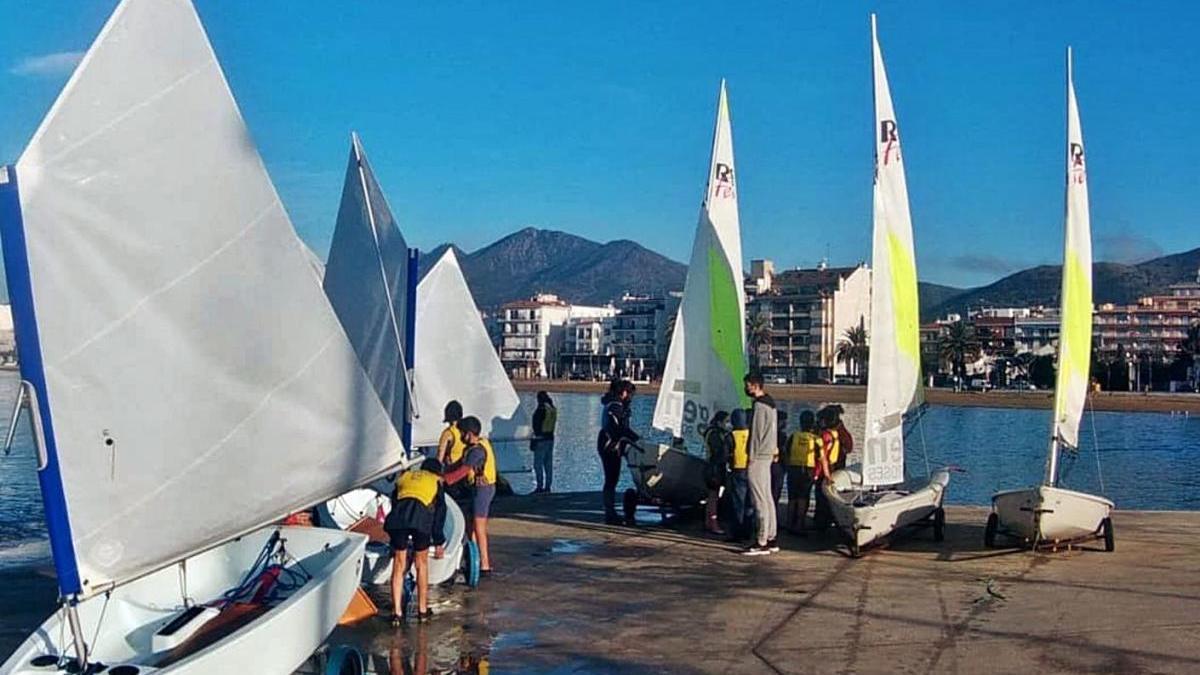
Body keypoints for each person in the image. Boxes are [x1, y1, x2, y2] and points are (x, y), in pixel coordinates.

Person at [385, 458, 447, 624]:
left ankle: (396, 612)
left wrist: (394, 542)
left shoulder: (405, 476)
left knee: (399, 564)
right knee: (421, 564)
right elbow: (440, 513)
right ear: (438, 473)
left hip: (398, 520)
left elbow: (394, 503)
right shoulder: (435, 482)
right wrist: (438, 541)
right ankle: (422, 611)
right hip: (421, 519)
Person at [444, 416, 496, 576]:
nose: (460, 436)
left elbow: (463, 470)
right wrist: (440, 471)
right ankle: (475, 558)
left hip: (483, 490)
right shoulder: (477, 446)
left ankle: (485, 565)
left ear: (469, 433)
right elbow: (458, 464)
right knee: (470, 524)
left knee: (479, 526)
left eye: (462, 433)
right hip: (477, 488)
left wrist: (445, 480)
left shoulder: (477, 451)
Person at [742, 373, 779, 556]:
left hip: (758, 457)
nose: (746, 388)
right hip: (768, 454)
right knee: (768, 497)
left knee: (759, 500)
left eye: (748, 385)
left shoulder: (759, 405)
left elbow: (755, 433)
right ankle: (771, 537)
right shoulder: (771, 404)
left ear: (755, 385)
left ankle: (761, 541)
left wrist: (750, 456)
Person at [597, 380, 638, 525]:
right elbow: (620, 429)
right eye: (629, 393)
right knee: (611, 479)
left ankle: (610, 511)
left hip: (608, 443)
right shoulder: (615, 406)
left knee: (611, 479)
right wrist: (637, 439)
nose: (630, 397)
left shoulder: (612, 404)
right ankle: (610, 513)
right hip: (609, 445)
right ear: (624, 392)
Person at [785, 410, 819, 534]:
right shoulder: (815, 439)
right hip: (807, 471)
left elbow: (786, 453)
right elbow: (821, 458)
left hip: (793, 470)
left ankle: (789, 524)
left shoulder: (793, 436)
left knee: (792, 498)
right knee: (803, 498)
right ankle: (799, 525)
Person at [812, 407, 843, 531]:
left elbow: (823, 457)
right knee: (825, 497)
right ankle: (825, 520)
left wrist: (826, 475)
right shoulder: (834, 434)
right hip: (831, 467)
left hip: (825, 470)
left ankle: (821, 522)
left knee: (821, 496)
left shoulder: (826, 436)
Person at [702, 411, 732, 535]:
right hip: (714, 468)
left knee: (711, 496)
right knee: (714, 496)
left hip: (712, 466)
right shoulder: (715, 434)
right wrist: (729, 456)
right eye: (726, 421)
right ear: (720, 422)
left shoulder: (713, 432)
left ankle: (708, 522)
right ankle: (713, 524)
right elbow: (718, 452)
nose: (728, 424)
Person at [727, 408, 752, 540]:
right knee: (749, 502)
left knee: (738, 503)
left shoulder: (732, 435)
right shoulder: (751, 434)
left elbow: (727, 453)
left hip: (738, 470)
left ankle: (736, 533)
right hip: (751, 469)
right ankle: (747, 531)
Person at [530, 391, 558, 493]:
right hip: (550, 439)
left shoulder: (541, 409)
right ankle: (548, 487)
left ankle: (539, 487)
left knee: (538, 465)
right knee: (548, 464)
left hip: (541, 439)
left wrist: (533, 440)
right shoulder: (552, 409)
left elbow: (536, 426)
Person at [436, 401, 466, 465]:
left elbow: (440, 456)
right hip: (466, 469)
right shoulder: (467, 430)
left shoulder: (448, 433)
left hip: (452, 469)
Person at [772, 410, 788, 515]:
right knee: (775, 492)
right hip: (778, 466)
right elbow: (783, 451)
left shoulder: (769, 433)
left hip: (769, 465)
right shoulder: (781, 436)